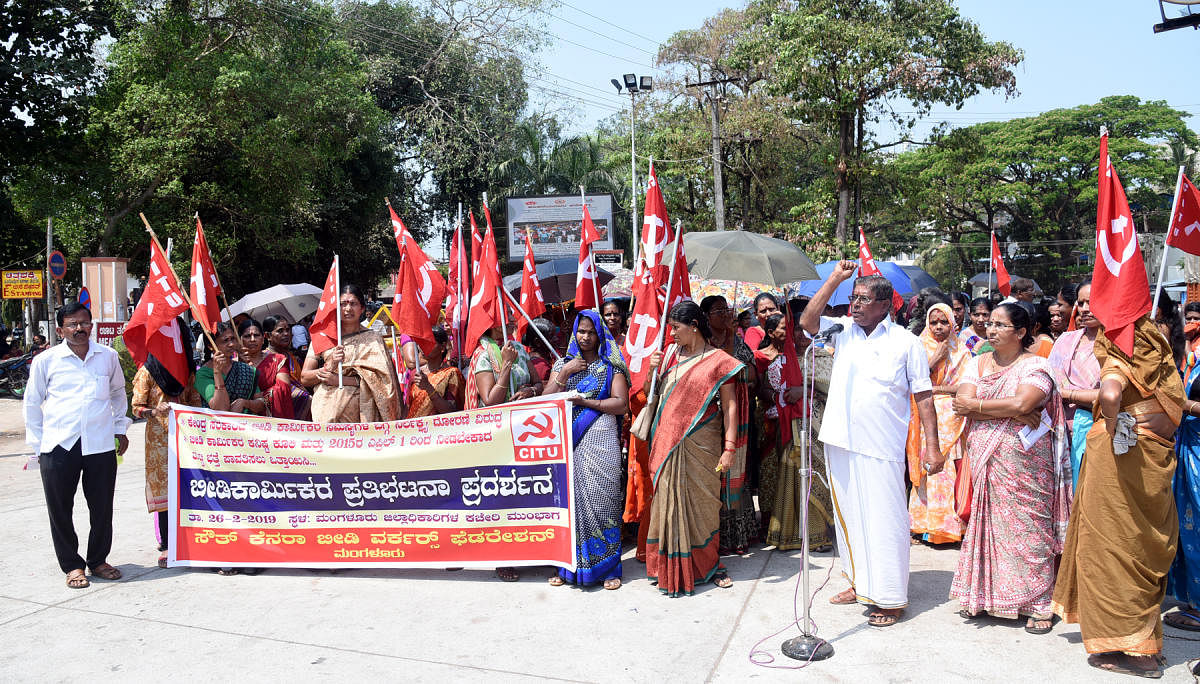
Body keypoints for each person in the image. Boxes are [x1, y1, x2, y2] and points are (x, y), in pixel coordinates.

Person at [798, 261, 941, 628]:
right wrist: (834, 280)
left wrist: (932, 447)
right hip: (840, 440)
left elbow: (924, 396)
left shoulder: (906, 343)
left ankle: (891, 596)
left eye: (863, 299)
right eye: (854, 298)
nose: (856, 305)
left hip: (881, 445)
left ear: (884, 305)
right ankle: (859, 581)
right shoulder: (842, 331)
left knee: (884, 519)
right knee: (849, 517)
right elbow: (807, 322)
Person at [1052, 315, 1184, 679]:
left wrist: (1114, 421)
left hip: (1118, 464)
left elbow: (1110, 395)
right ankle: (1142, 644)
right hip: (1154, 465)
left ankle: (1135, 652)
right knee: (1142, 549)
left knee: (1111, 551)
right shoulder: (1166, 369)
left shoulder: (1119, 360)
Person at [949, 302, 1070, 635]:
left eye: (1000, 325)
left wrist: (982, 407)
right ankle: (987, 597)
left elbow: (1025, 402)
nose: (991, 329)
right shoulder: (976, 363)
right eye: (990, 323)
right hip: (987, 459)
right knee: (989, 526)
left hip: (1027, 465)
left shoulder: (1038, 366)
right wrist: (1006, 410)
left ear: (1021, 332)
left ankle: (1038, 603)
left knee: (1030, 530)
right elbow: (961, 404)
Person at [23, 302, 130, 588]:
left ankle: (98, 560)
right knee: (60, 509)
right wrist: (38, 446)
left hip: (100, 444)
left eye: (84, 323)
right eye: (72, 324)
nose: (79, 328)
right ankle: (72, 566)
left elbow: (119, 394)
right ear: (60, 330)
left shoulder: (106, 356)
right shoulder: (47, 360)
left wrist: (120, 429)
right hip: (59, 445)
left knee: (102, 506)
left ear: (91, 325)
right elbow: (32, 404)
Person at [643, 301, 747, 596]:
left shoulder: (718, 360)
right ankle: (668, 567)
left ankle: (707, 565)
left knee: (704, 507)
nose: (672, 333)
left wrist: (729, 448)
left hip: (703, 444)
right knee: (667, 505)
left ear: (694, 326)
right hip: (666, 444)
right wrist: (651, 371)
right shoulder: (667, 359)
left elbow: (729, 405)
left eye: (676, 328)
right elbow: (652, 394)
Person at [543, 311, 629, 589]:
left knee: (602, 502)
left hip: (600, 440)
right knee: (569, 505)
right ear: (574, 333)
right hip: (569, 443)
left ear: (600, 335)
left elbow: (621, 404)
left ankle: (609, 568)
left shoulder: (611, 367)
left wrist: (587, 402)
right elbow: (545, 400)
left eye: (591, 332)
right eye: (581, 331)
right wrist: (565, 373)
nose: (586, 337)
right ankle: (568, 568)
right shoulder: (563, 365)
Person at [464, 323, 541, 583]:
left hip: (522, 432)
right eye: (500, 317)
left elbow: (539, 383)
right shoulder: (482, 355)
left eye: (509, 315)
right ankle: (503, 556)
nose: (507, 321)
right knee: (502, 495)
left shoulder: (520, 348)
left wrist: (530, 391)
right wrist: (506, 364)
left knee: (526, 491)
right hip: (494, 437)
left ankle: (531, 549)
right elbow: (490, 400)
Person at [131, 318, 202, 568]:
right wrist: (153, 410)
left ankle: (191, 540)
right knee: (165, 493)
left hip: (187, 437)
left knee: (189, 488)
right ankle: (168, 545)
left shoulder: (186, 370)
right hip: (160, 442)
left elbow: (194, 399)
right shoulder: (147, 371)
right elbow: (136, 408)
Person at [905, 303, 969, 545]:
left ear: (953, 322)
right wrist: (935, 358)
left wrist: (936, 388)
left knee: (948, 469)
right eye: (934, 322)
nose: (939, 327)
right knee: (924, 467)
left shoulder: (961, 351)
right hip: (922, 418)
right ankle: (923, 525)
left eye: (944, 322)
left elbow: (966, 385)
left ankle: (949, 527)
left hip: (952, 417)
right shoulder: (918, 347)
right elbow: (911, 382)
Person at [700, 295, 759, 554]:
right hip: (710, 417)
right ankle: (714, 537)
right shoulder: (702, 343)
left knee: (735, 473)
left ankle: (737, 535)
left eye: (726, 309)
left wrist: (733, 361)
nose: (724, 314)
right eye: (718, 310)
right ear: (705, 317)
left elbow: (752, 375)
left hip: (738, 413)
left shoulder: (737, 340)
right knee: (713, 474)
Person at [301, 284, 400, 423]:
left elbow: (385, 382)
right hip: (325, 411)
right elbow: (305, 378)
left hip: (363, 415)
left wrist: (344, 380)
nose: (348, 309)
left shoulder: (373, 339)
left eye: (353, 304)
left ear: (362, 308)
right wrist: (328, 367)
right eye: (343, 304)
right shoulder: (324, 337)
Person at [1047, 282, 1100, 490]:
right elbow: (1048, 381)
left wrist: (1069, 394)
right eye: (1081, 302)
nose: (1085, 308)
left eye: (1091, 302)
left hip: (1097, 432)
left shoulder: (1118, 345)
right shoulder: (1065, 341)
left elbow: (1115, 394)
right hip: (1060, 432)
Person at [1167, 329, 1200, 632]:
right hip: (1189, 451)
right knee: (1188, 528)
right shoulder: (1193, 358)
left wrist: (1184, 405)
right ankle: (1192, 600)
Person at [195, 322, 266, 416]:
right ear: (210, 346)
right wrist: (217, 372)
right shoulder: (203, 373)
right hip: (218, 428)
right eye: (225, 341)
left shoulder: (245, 369)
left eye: (233, 339)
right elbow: (220, 409)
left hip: (246, 427)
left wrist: (245, 403)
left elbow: (261, 403)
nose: (231, 344)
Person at [255, 315, 312, 420]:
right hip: (275, 416)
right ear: (267, 336)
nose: (286, 334)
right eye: (280, 331)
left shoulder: (295, 358)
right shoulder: (263, 360)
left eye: (288, 330)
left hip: (304, 414)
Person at [406, 325, 464, 418]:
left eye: (428, 342)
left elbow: (453, 412)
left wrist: (428, 388)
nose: (423, 347)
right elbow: (408, 408)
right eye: (422, 342)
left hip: (440, 430)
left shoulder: (451, 373)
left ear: (443, 347)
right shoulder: (416, 374)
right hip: (415, 430)